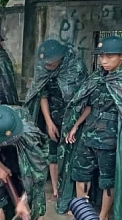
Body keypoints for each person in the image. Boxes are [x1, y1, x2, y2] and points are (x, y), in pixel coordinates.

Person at [58, 36, 122, 220]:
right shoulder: (97, 77)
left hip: (111, 138)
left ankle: (103, 216)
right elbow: (89, 105)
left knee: (108, 180)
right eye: (102, 56)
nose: (104, 60)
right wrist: (75, 127)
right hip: (89, 133)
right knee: (80, 173)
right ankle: (81, 213)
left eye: (109, 56)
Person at [24, 39, 88, 199]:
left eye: (51, 63)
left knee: (70, 153)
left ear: (61, 58)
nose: (47, 66)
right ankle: (55, 190)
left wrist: (75, 123)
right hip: (52, 115)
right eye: (44, 62)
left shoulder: (76, 67)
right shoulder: (43, 67)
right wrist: (48, 122)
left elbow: (83, 97)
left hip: (73, 117)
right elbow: (42, 94)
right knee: (52, 153)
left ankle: (70, 190)